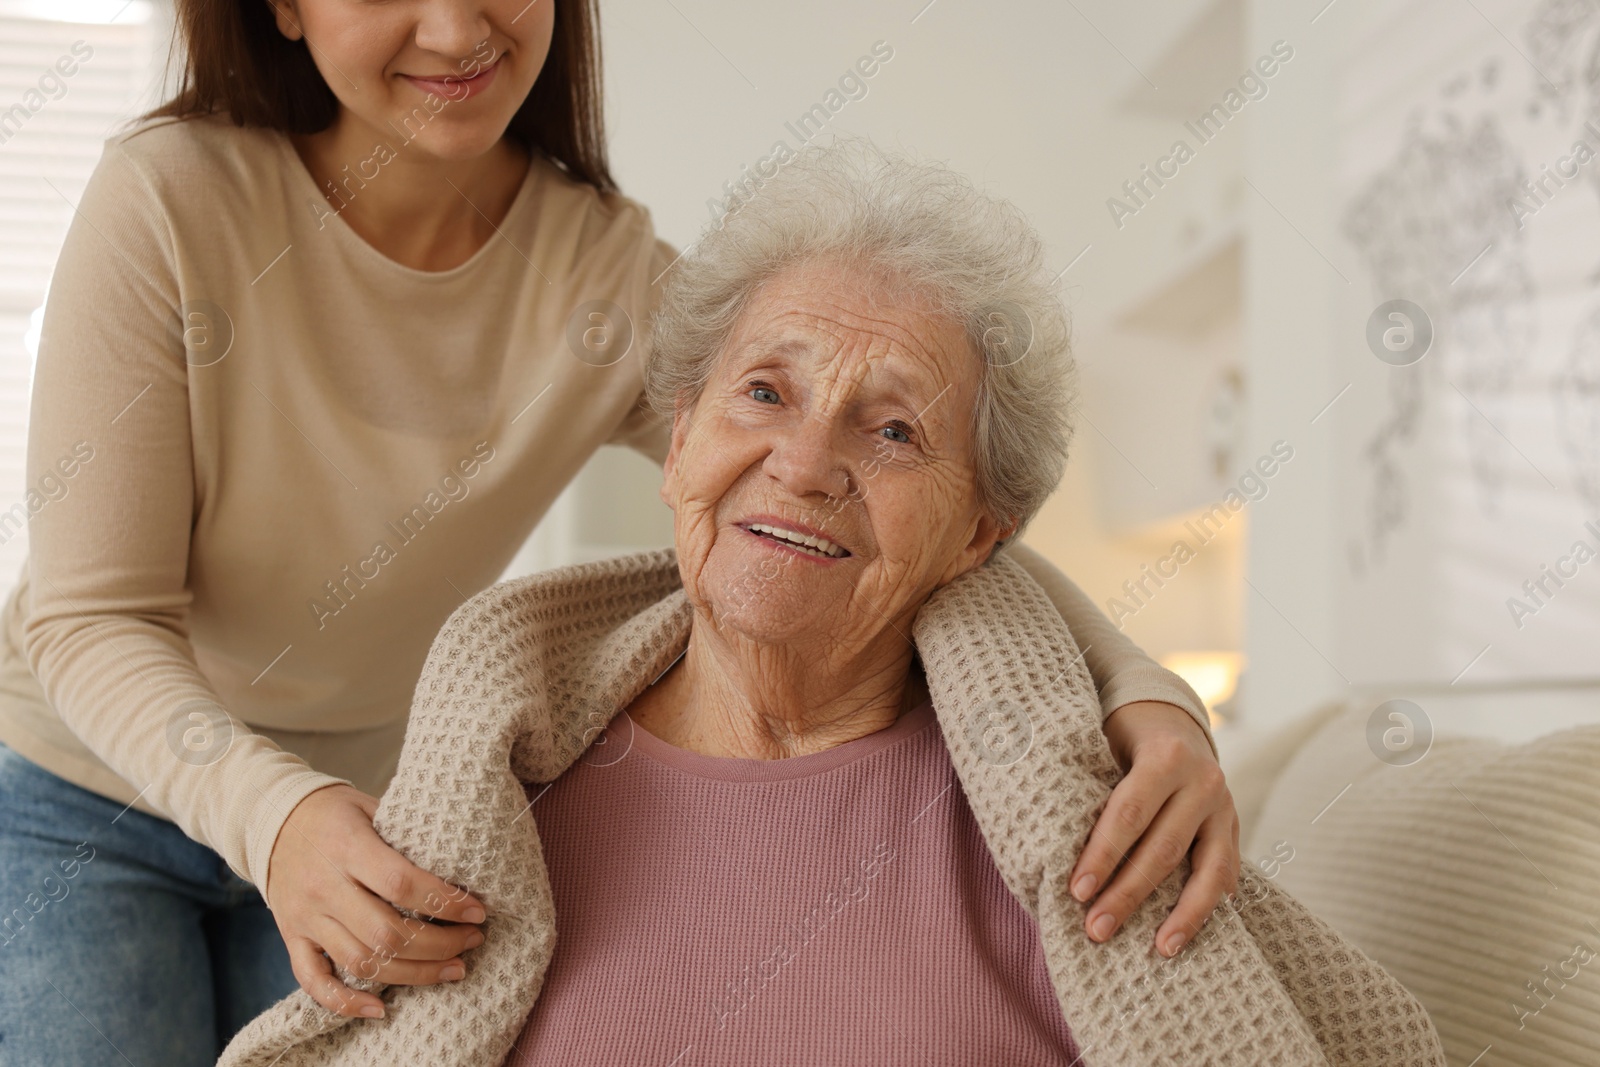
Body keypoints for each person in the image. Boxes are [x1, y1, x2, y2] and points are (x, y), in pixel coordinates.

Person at [0, 3, 1233, 1064]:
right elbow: (87, 614)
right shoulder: (170, 201)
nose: (454, 27)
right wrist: (273, 816)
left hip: (369, 816)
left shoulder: (598, 276)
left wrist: (1147, 693)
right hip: (85, 793)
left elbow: (881, 503)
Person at [219, 138, 1446, 1067]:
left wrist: (1149, 689)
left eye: (896, 425)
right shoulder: (502, 786)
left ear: (979, 533)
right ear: (679, 435)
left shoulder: (1076, 831)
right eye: (763, 391)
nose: (804, 461)